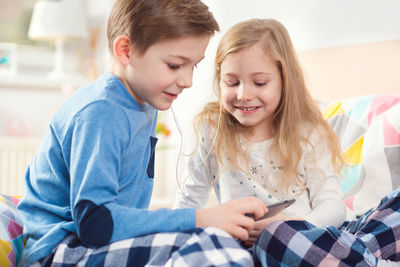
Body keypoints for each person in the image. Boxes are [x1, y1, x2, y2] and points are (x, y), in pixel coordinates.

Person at [17, 1, 268, 266]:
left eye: (193, 66)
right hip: (62, 251)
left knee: (217, 243)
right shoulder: (101, 111)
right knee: (211, 248)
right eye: (174, 65)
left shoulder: (142, 101)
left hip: (97, 244)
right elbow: (95, 224)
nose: (187, 81)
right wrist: (199, 218)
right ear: (126, 51)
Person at [175, 18, 400, 266]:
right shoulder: (210, 127)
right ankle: (365, 259)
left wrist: (293, 227)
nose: (243, 94)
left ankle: (359, 254)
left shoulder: (308, 131)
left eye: (259, 83)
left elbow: (332, 207)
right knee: (266, 239)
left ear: (284, 79)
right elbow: (187, 202)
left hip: (313, 238)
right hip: (252, 250)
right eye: (231, 82)